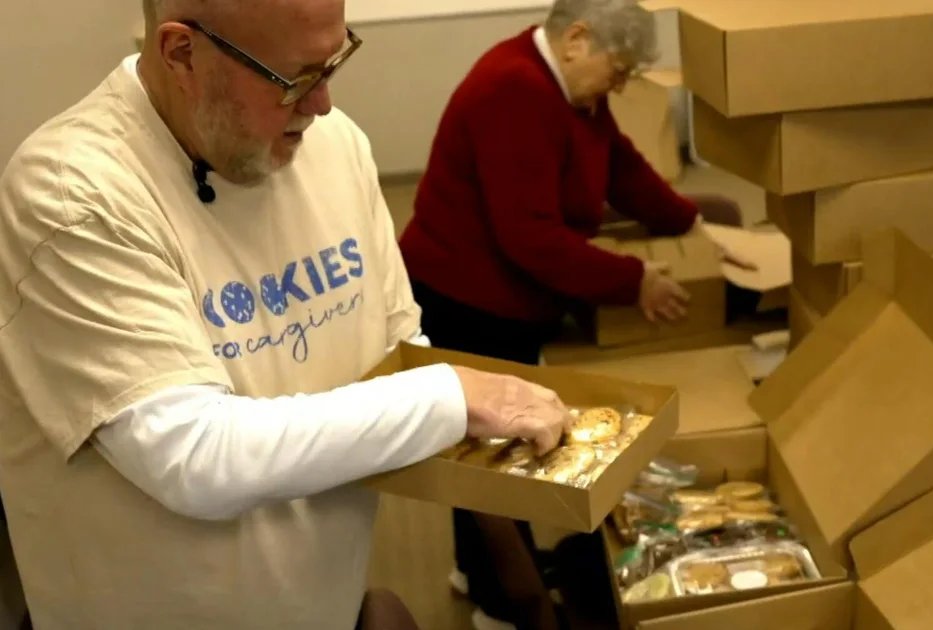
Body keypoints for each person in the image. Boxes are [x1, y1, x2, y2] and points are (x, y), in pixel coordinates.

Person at [0, 1, 571, 628]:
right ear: (181, 53)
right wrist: (447, 398)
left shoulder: (336, 147)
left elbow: (398, 350)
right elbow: (193, 457)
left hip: (322, 601)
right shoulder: (70, 193)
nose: (321, 103)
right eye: (295, 78)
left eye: (333, 61)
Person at [398, 1, 709, 628]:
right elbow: (530, 237)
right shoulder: (513, 90)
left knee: (494, 449)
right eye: (618, 71)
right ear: (576, 39)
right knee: (487, 460)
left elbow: (619, 164)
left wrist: (685, 220)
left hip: (505, 294)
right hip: (467, 296)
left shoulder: (569, 91)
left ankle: (482, 573)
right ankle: (496, 603)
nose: (619, 87)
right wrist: (633, 281)